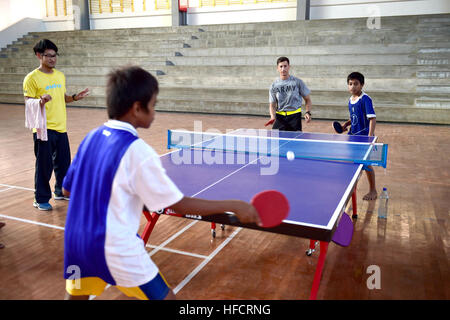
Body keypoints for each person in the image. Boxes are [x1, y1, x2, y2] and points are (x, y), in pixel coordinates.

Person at [62, 66, 261, 300]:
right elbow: (179, 205)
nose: (155, 113)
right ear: (137, 108)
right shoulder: (137, 150)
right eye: (153, 105)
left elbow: (67, 190)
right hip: (115, 247)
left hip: (76, 240)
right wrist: (235, 205)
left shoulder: (91, 137)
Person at [23, 39, 89, 211]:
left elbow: (62, 97)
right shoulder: (32, 78)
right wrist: (40, 101)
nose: (52, 59)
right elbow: (28, 102)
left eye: (54, 56)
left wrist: (74, 97)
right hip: (43, 127)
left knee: (63, 163)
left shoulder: (60, 75)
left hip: (61, 126)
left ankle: (60, 191)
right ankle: (40, 198)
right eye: (48, 56)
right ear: (39, 55)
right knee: (44, 166)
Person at [341, 72, 377, 201]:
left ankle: (373, 190)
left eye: (356, 84)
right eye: (350, 84)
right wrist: (346, 124)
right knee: (353, 163)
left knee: (366, 164)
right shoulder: (351, 100)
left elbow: (372, 118)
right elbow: (354, 117)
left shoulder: (365, 99)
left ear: (362, 85)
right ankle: (352, 188)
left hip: (363, 137)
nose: (353, 86)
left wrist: (370, 137)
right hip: (353, 136)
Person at [266, 56, 312, 131]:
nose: (283, 69)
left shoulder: (297, 82)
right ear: (277, 68)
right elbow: (272, 105)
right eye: (281, 66)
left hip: (295, 117)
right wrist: (272, 116)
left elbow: (308, 100)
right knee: (275, 141)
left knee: (295, 141)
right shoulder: (273, 85)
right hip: (280, 118)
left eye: (285, 66)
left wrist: (308, 113)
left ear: (289, 67)